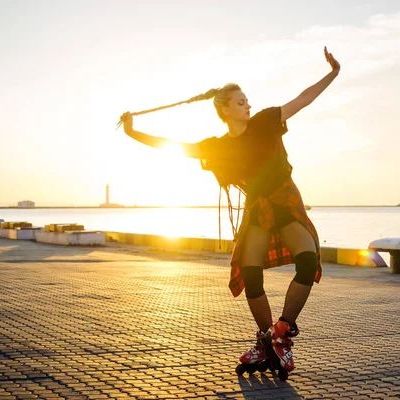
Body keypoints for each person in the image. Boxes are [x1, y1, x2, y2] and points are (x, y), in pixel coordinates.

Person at [119, 46, 340, 373]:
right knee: (252, 275)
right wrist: (133, 132)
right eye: (240, 101)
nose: (248, 104)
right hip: (257, 209)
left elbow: (303, 99)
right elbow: (176, 147)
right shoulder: (219, 147)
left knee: (308, 262)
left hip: (285, 200)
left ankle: (281, 334)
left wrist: (333, 73)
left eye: (247, 99)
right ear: (224, 109)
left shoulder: (266, 120)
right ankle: (266, 342)